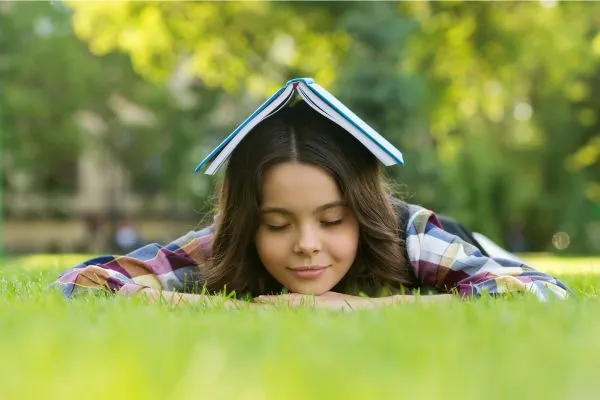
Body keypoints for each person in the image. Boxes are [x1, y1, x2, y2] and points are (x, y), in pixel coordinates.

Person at [52, 100, 570, 310]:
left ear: (361, 213)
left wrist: (371, 311)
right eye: (277, 224)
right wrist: (234, 312)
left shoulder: (406, 234)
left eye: (332, 220)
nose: (306, 245)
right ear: (249, 224)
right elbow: (78, 286)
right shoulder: (223, 245)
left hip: (462, 241)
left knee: (487, 253)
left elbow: (538, 292)